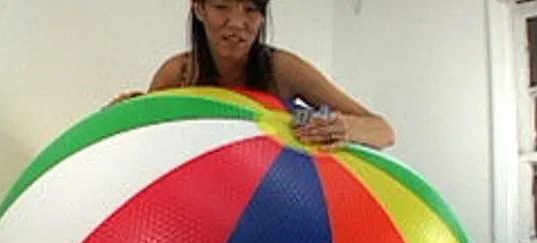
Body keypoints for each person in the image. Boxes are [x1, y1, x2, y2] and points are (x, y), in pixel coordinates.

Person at [109, 0, 395, 150]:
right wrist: (129, 115)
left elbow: (383, 130)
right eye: (222, 7)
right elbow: (151, 147)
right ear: (199, 9)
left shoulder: (281, 69)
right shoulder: (178, 74)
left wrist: (343, 128)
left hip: (267, 206)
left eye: (250, 10)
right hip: (197, 205)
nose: (236, 23)